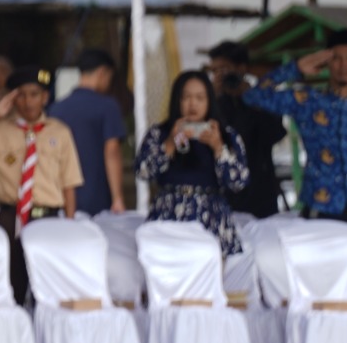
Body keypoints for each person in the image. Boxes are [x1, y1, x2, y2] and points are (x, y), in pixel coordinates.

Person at [242, 31, 347, 222]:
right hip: (320, 209)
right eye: (336, 58)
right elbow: (253, 96)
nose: (343, 65)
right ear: (327, 62)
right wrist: (296, 68)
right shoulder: (309, 101)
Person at [0, 67, 80, 307]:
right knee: (10, 288)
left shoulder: (60, 132)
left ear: (45, 97)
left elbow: (69, 183)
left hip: (48, 218)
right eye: (21, 95)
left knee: (48, 291)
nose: (28, 101)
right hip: (10, 216)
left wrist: (70, 224)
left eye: (34, 94)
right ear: (12, 98)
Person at [139, 71, 250, 254]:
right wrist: (169, 144)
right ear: (177, 101)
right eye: (186, 98)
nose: (193, 104)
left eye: (200, 98)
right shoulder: (160, 133)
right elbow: (143, 172)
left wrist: (218, 148)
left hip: (211, 218)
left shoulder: (226, 134)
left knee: (209, 278)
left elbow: (239, 181)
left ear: (209, 101)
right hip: (169, 216)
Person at [47, 49, 129, 217]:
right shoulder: (108, 107)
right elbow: (112, 151)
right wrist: (118, 198)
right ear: (102, 73)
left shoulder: (55, 109)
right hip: (96, 199)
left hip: (59, 197)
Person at [210, 40, 284, 218]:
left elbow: (275, 134)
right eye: (214, 71)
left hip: (260, 195)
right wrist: (211, 98)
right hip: (224, 196)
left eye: (224, 69)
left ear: (241, 69)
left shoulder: (259, 100)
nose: (219, 75)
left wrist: (252, 99)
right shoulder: (213, 105)